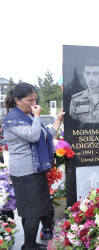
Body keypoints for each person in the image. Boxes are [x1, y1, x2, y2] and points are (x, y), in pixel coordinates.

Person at [2, 82, 64, 250]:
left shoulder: (28, 115)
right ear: (17, 100)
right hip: (24, 173)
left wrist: (58, 120)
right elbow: (34, 136)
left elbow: (46, 135)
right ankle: (29, 247)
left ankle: (30, 243)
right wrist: (37, 117)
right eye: (30, 100)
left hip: (34, 170)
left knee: (33, 211)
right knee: (33, 212)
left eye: (35, 99)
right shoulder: (12, 118)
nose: (34, 104)